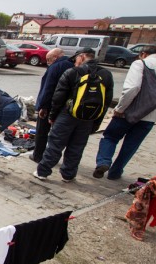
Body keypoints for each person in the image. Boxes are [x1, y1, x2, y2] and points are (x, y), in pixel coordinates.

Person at [93, 45, 156, 180]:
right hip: (150, 116)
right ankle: (115, 172)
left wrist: (120, 108)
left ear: (143, 54)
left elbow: (132, 88)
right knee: (131, 145)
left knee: (110, 137)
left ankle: (103, 162)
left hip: (128, 112)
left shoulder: (140, 64)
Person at [33, 47, 114, 182]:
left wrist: (52, 116)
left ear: (82, 57)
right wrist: (96, 122)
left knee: (55, 144)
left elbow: (58, 98)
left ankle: (43, 171)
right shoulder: (106, 75)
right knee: (77, 146)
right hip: (89, 117)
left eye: (76, 58)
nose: (75, 61)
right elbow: (106, 101)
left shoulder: (72, 72)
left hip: (67, 114)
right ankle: (68, 174)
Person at [31, 48, 74, 163]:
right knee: (59, 135)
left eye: (49, 60)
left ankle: (38, 156)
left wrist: (42, 106)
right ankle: (53, 158)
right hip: (67, 107)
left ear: (55, 57)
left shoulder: (55, 67)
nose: (48, 62)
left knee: (42, 132)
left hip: (50, 105)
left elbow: (48, 88)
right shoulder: (73, 66)